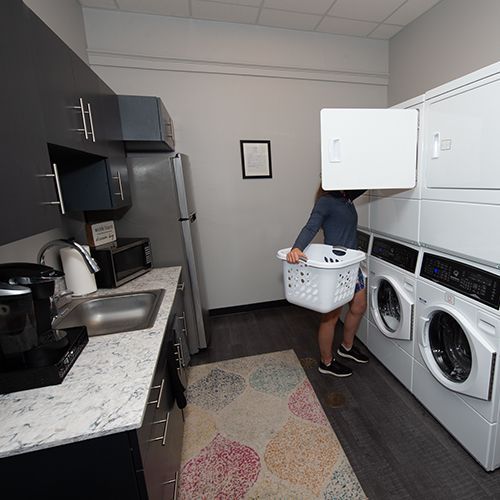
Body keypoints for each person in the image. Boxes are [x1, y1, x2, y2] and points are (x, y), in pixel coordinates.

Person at [286, 186, 369, 377]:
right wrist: (297, 248)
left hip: (352, 264)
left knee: (358, 306)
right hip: (336, 267)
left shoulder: (346, 197)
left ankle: (346, 347)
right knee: (330, 317)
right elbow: (311, 226)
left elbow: (365, 183)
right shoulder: (326, 201)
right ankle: (326, 362)